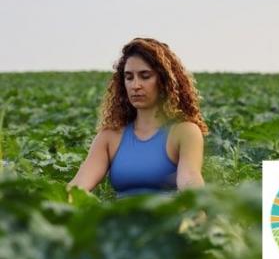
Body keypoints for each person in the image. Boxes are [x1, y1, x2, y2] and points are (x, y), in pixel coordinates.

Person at [67, 38, 208, 199]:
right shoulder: (109, 136)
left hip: (167, 221)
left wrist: (199, 210)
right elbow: (78, 186)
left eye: (145, 76)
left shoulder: (184, 131)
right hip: (121, 222)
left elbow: (190, 179)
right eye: (129, 77)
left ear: (164, 81)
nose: (135, 85)